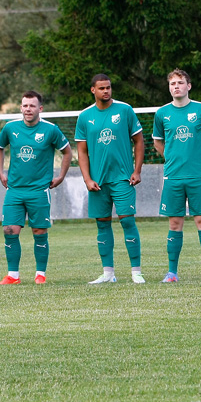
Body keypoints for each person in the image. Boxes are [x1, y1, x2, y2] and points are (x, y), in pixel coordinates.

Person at [0, 91, 72, 285]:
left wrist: (61, 176)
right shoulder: (10, 128)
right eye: (25, 106)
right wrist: (0, 172)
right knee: (9, 230)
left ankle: (40, 274)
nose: (28, 109)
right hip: (14, 190)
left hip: (39, 190)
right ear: (21, 108)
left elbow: (67, 152)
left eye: (32, 106)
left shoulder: (51, 130)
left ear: (40, 109)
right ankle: (13, 276)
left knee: (39, 232)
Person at [75, 74, 147, 284]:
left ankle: (136, 272)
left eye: (108, 88)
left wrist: (137, 170)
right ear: (93, 90)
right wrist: (87, 179)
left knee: (128, 222)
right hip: (98, 182)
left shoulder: (124, 110)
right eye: (102, 88)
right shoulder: (85, 117)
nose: (106, 91)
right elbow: (82, 152)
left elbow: (139, 141)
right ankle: (108, 273)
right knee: (102, 224)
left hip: (123, 178)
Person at [153, 69, 201, 282]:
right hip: (173, 176)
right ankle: (172, 272)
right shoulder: (162, 113)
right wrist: (172, 158)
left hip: (198, 175)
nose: (176, 86)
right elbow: (158, 142)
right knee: (175, 224)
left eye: (180, 82)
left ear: (188, 86)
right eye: (172, 83)